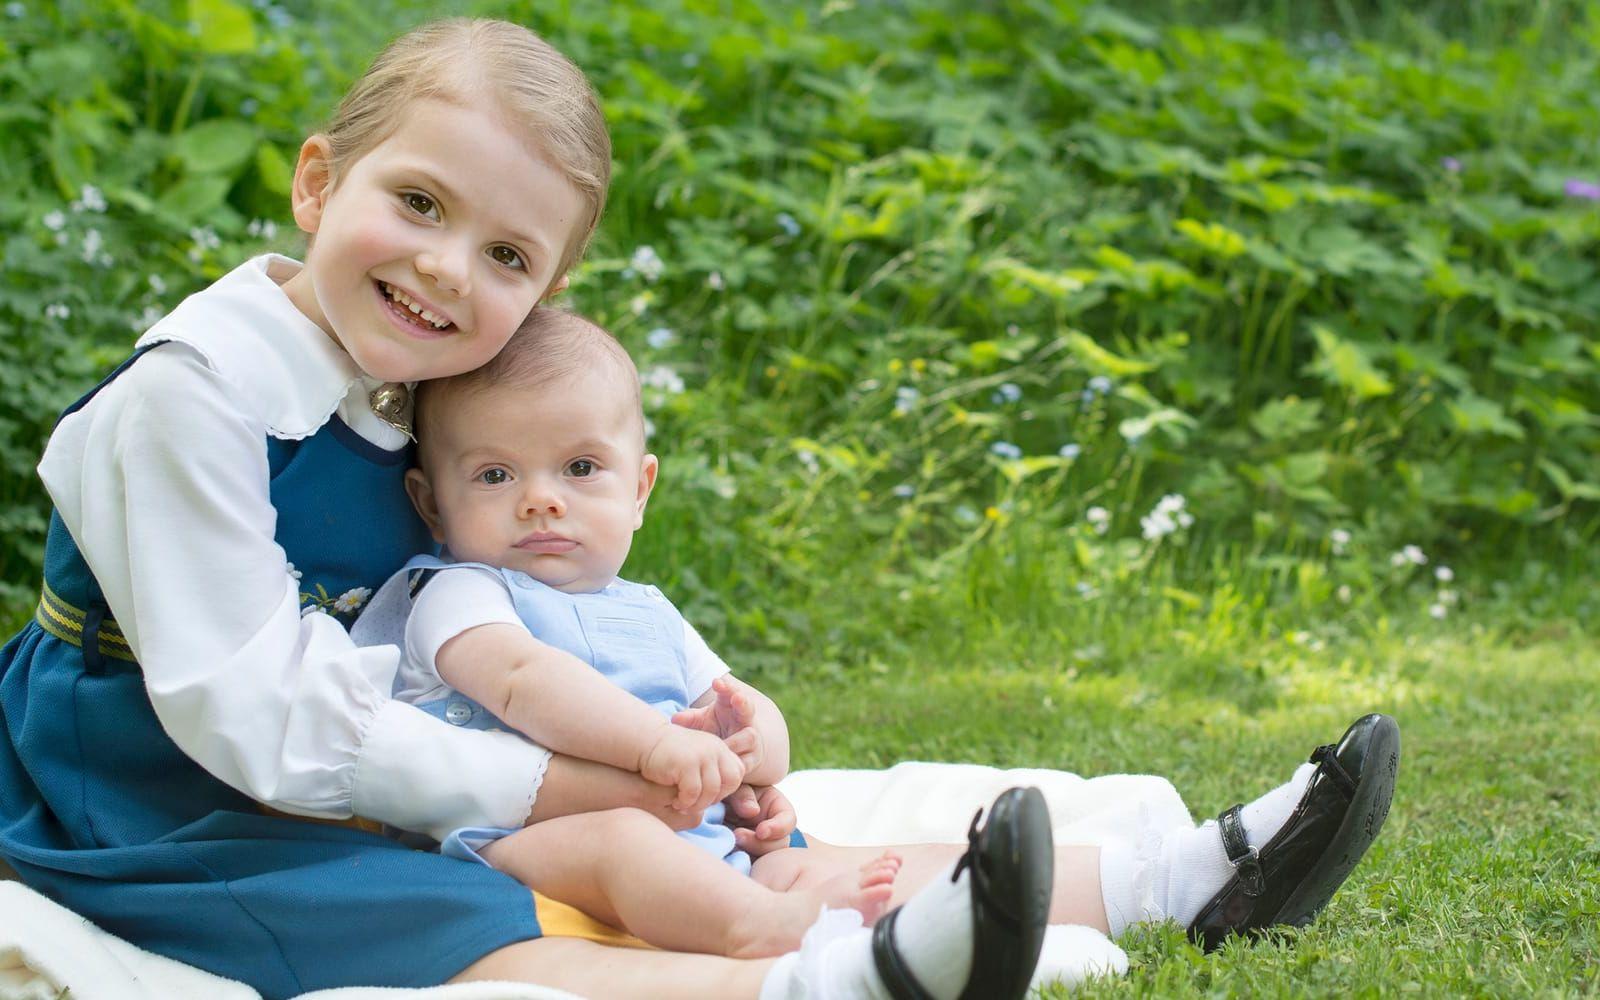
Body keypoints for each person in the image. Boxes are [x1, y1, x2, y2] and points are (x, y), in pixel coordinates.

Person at [0, 15, 1398, 1000]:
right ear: (318, 179)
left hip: (385, 740)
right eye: (415, 202)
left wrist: (650, 747)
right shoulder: (193, 399)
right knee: (443, 909)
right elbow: (259, 715)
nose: (442, 269)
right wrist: (557, 777)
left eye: (504, 254)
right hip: (144, 772)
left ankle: (1184, 877)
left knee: (747, 835)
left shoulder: (411, 379)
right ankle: (810, 983)